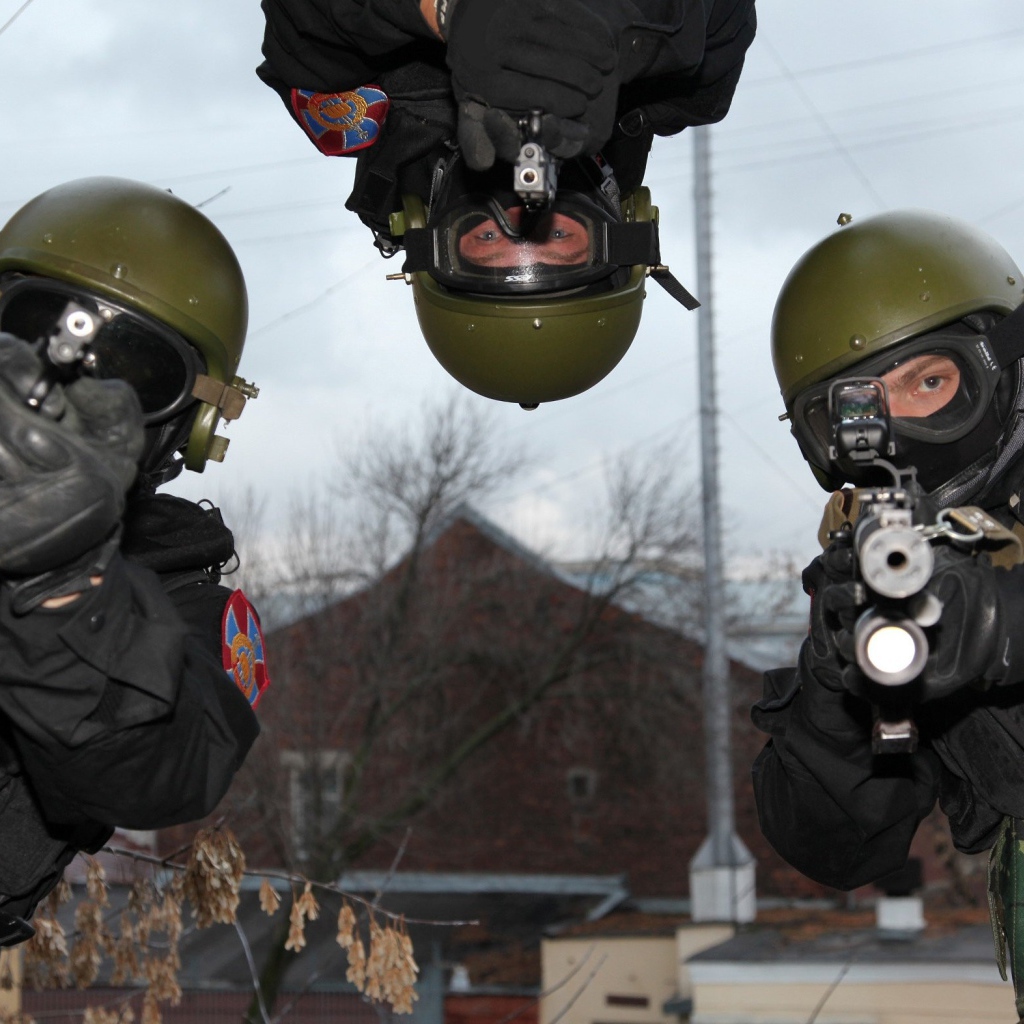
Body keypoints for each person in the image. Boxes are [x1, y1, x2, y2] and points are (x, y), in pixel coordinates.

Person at [752, 209, 1024, 1011]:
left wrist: (992, 624)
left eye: (928, 382)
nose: (897, 432)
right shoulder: (878, 564)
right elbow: (837, 849)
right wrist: (839, 693)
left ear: (999, 364)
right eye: (858, 411)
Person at [0, 177, 267, 946]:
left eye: (132, 370)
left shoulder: (174, 598)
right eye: (34, 327)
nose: (69, 378)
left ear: (188, 428)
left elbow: (166, 767)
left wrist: (63, 588)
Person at [257, 0, 756, 406]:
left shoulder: (341, 94)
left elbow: (302, 19)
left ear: (429, 231)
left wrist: (449, 11)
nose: (521, 213)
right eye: (559, 236)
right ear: (620, 218)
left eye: (489, 238)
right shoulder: (687, 82)